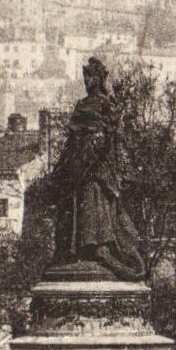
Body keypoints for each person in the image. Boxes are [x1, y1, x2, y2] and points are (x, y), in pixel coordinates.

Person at [50, 58, 144, 281]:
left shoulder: (106, 105)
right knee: (75, 204)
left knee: (96, 201)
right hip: (78, 164)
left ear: (100, 79)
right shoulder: (81, 105)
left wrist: (101, 159)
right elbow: (72, 139)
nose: (87, 81)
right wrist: (62, 166)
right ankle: (78, 249)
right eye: (85, 77)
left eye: (91, 77)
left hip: (98, 166)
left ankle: (99, 246)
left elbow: (111, 139)